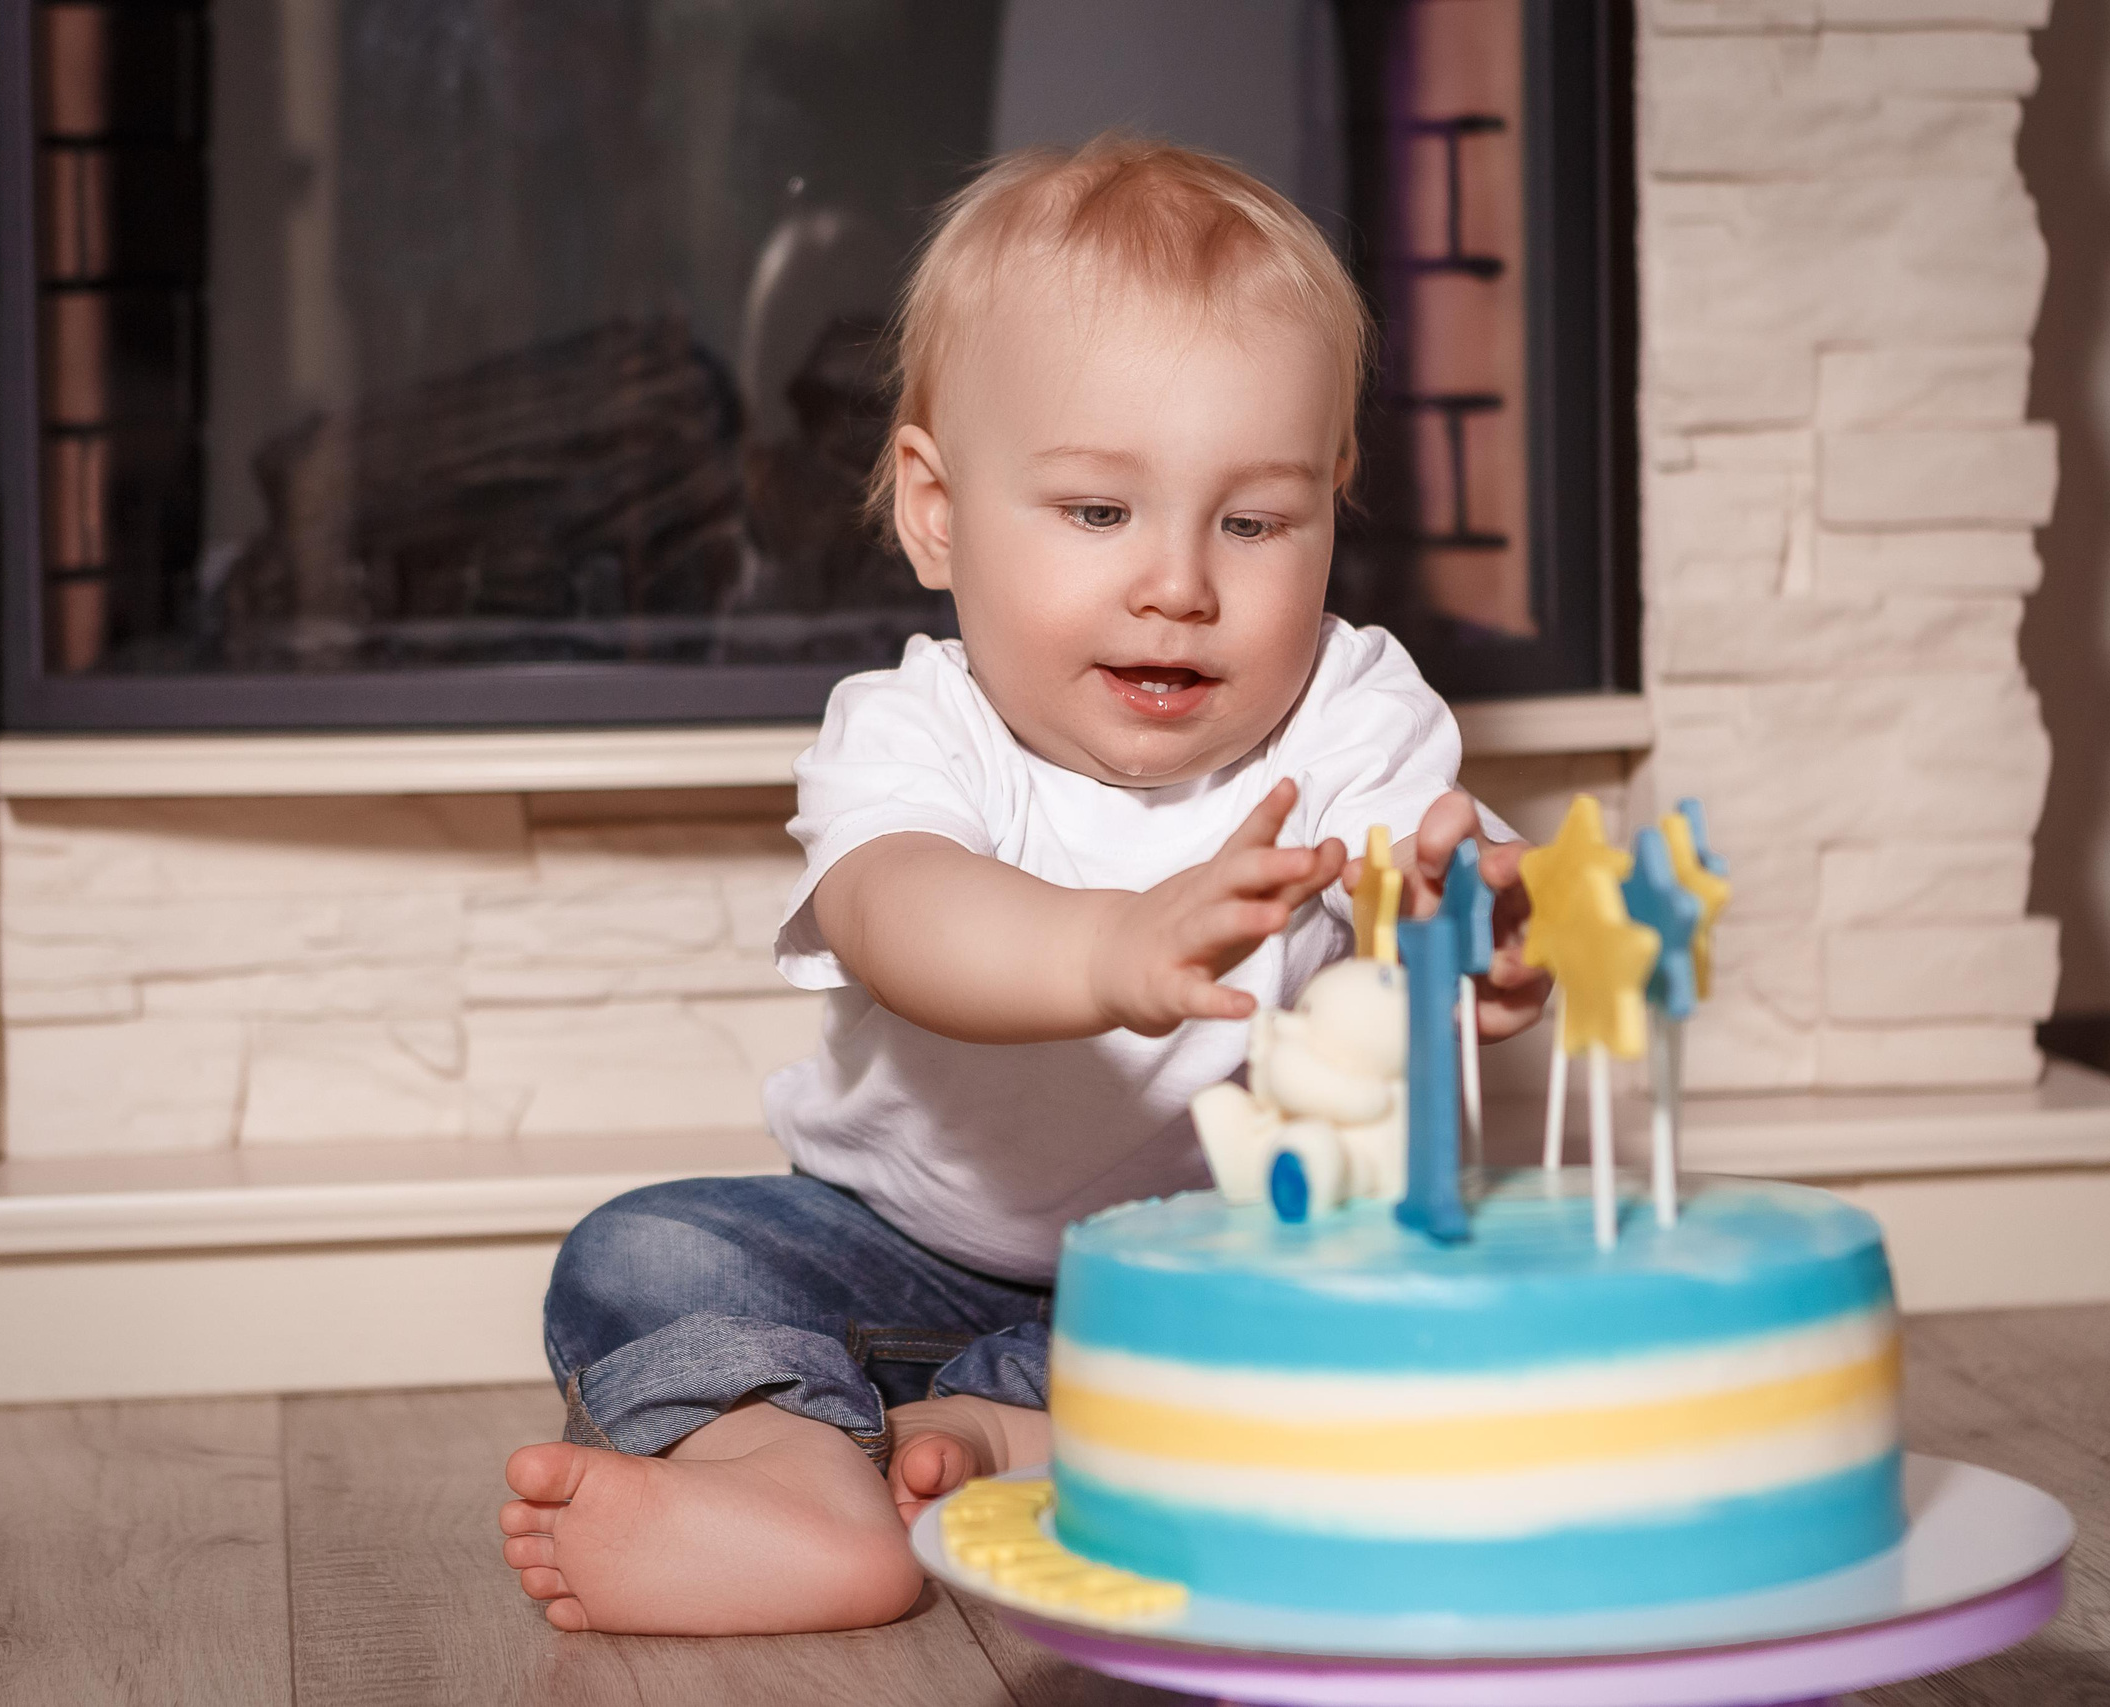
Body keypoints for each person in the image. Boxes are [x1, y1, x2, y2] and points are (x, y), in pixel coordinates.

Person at [497, 134, 1551, 1636]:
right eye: (1099, 514)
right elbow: (902, 914)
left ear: (1331, 503)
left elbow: (1425, 867)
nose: (1179, 583)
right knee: (646, 1252)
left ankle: (1009, 1450)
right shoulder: (916, 725)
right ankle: (791, 1476)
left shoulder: (1353, 715)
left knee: (1418, 1344)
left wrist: (1486, 922)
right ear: (938, 507)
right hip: (882, 1250)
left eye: (1253, 523)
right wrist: (1109, 950)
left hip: (1200, 1282)